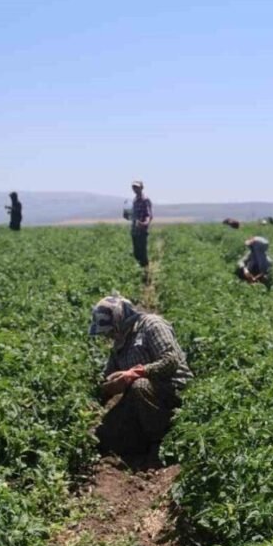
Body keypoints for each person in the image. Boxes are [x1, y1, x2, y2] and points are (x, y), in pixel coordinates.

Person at [89, 295, 192, 464]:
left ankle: (161, 444)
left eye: (110, 331)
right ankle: (140, 442)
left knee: (140, 385)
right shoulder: (120, 342)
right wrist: (102, 393)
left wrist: (136, 373)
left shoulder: (152, 325)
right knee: (103, 436)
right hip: (141, 400)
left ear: (118, 320)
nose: (109, 336)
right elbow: (106, 378)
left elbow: (171, 360)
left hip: (172, 392)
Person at [129, 181, 152, 267]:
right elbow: (133, 215)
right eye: (134, 187)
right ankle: (139, 274)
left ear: (141, 188)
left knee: (142, 254)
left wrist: (144, 223)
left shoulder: (145, 200)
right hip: (134, 230)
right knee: (136, 253)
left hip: (142, 230)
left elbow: (148, 215)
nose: (135, 189)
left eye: (137, 187)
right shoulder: (135, 200)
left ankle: (146, 275)